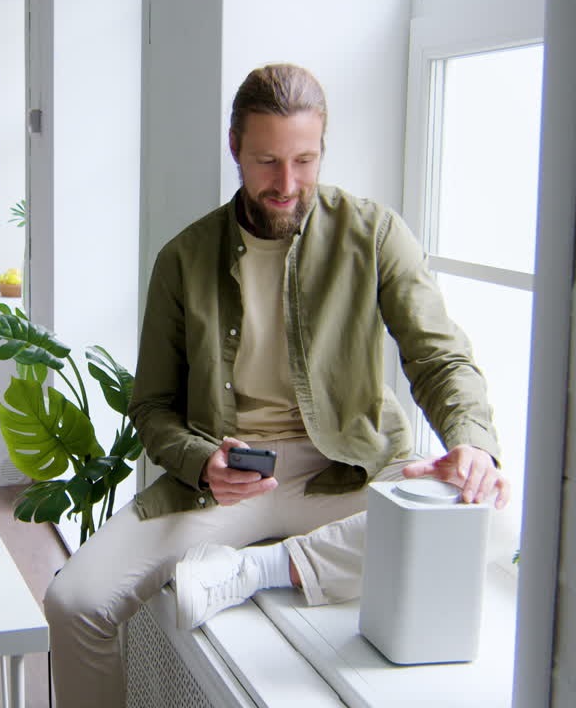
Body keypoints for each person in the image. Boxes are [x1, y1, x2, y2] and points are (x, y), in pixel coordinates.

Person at [42, 63, 508, 708]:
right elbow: (151, 408)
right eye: (266, 161)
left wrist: (473, 442)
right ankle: (274, 558)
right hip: (229, 485)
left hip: (351, 471)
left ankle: (258, 568)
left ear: (323, 149)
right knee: (75, 602)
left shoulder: (374, 234)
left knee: (486, 522)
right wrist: (203, 462)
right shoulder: (183, 259)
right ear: (235, 146)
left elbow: (440, 359)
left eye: (305, 160)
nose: (286, 184)